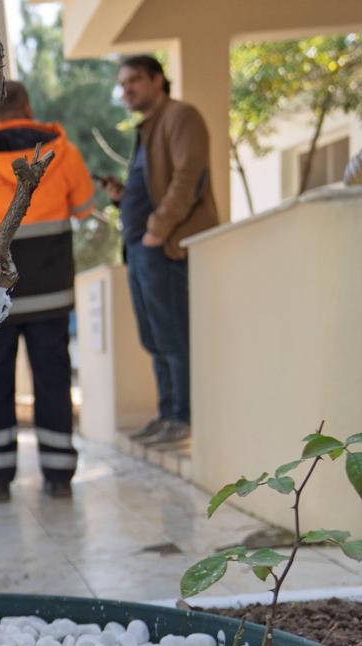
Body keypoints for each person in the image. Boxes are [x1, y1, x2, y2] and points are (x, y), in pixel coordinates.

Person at [0, 81, 95, 502]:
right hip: (50, 292)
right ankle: (59, 474)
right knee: (52, 380)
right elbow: (84, 206)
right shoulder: (60, 149)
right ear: (28, 106)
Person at [101, 54, 220, 446]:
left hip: (163, 246)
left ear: (158, 80)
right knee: (154, 339)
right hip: (139, 249)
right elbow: (153, 185)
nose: (127, 89)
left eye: (134, 80)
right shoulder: (149, 128)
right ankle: (167, 414)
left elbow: (190, 177)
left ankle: (183, 419)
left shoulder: (181, 116)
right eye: (123, 83)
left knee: (172, 336)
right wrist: (123, 198)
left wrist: (157, 229)